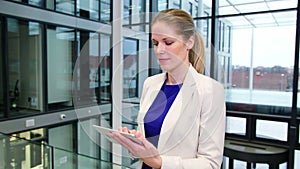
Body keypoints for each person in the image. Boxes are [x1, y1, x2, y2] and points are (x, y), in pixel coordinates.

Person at [109, 8, 226, 169]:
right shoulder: (150, 84)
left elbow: (210, 163)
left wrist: (159, 163)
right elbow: (148, 141)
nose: (159, 50)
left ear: (189, 43)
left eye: (168, 42)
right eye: (155, 43)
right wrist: (134, 144)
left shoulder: (210, 90)